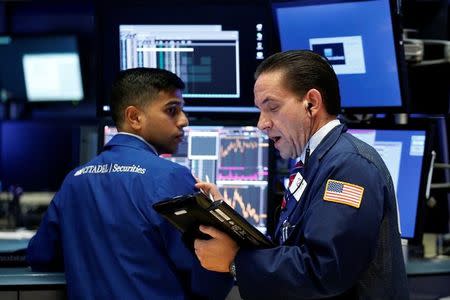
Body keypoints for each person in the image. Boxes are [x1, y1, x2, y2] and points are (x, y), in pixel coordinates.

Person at [194, 50, 409, 299]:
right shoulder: (316, 161)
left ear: (312, 103)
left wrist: (236, 262)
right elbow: (293, 245)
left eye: (272, 107)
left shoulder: (349, 166)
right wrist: (231, 224)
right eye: (260, 111)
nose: (261, 123)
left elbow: (325, 269)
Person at [26, 68, 232, 299]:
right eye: (172, 110)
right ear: (134, 117)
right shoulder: (172, 177)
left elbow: (40, 256)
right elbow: (208, 275)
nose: (184, 120)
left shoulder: (75, 179)